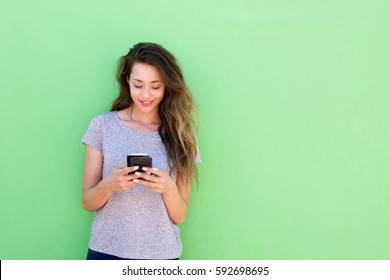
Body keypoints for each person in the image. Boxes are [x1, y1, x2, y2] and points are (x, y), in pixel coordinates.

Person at [81, 42, 200, 260]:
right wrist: (109, 184)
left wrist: (168, 188)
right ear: (127, 82)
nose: (146, 94)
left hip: (161, 256)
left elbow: (180, 215)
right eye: (138, 85)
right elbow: (87, 202)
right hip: (106, 252)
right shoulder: (102, 126)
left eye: (155, 86)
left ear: (167, 86)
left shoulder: (182, 134)